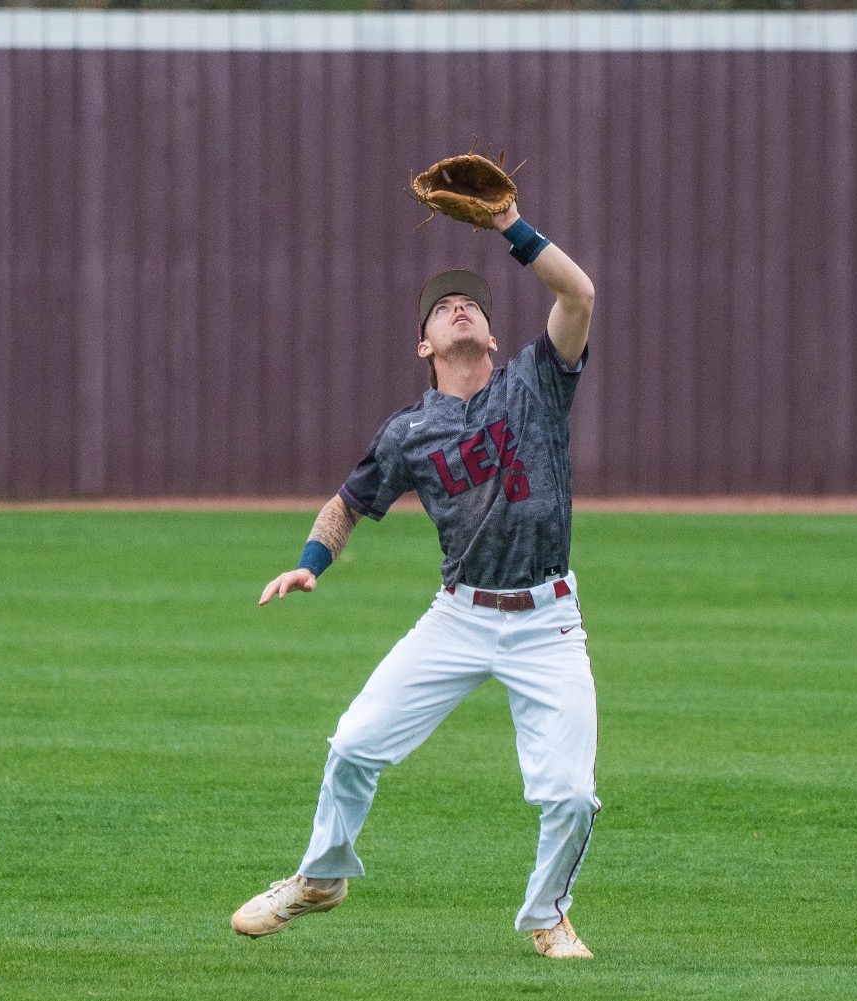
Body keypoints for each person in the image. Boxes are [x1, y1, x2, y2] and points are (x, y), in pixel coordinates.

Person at [233, 202, 600, 959]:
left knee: (567, 793)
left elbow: (580, 295)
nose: (458, 306)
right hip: (459, 616)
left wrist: (511, 226)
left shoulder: (537, 381)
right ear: (424, 342)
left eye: (471, 303)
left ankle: (547, 915)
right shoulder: (409, 431)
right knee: (354, 744)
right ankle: (321, 876)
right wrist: (310, 561)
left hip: (547, 617)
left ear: (492, 335)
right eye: (442, 307)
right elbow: (349, 501)